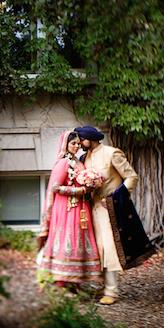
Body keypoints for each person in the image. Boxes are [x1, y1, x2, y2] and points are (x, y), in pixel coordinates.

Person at [75, 125, 155, 305]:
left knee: (110, 249)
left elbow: (132, 177)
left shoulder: (112, 153)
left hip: (110, 208)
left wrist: (116, 196)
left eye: (82, 138)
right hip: (91, 208)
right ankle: (103, 286)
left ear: (90, 138)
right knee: (98, 248)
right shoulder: (83, 157)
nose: (80, 142)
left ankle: (111, 291)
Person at [36, 131, 102, 292]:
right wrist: (79, 191)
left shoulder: (78, 162)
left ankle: (75, 281)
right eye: (73, 143)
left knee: (77, 239)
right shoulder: (63, 163)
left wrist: (91, 184)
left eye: (78, 144)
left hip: (81, 208)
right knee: (68, 240)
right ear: (66, 144)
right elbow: (55, 187)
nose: (76, 146)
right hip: (67, 208)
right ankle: (62, 283)